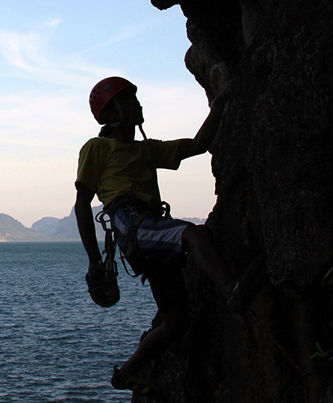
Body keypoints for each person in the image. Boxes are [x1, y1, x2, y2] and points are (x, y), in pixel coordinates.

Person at [73, 76, 262, 394]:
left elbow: (198, 145)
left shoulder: (146, 150)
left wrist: (219, 105)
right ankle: (234, 291)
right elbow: (81, 205)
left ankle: (126, 374)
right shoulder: (97, 148)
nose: (139, 105)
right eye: (131, 101)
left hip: (142, 230)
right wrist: (94, 261)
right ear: (113, 110)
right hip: (132, 224)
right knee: (193, 235)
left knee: (177, 321)